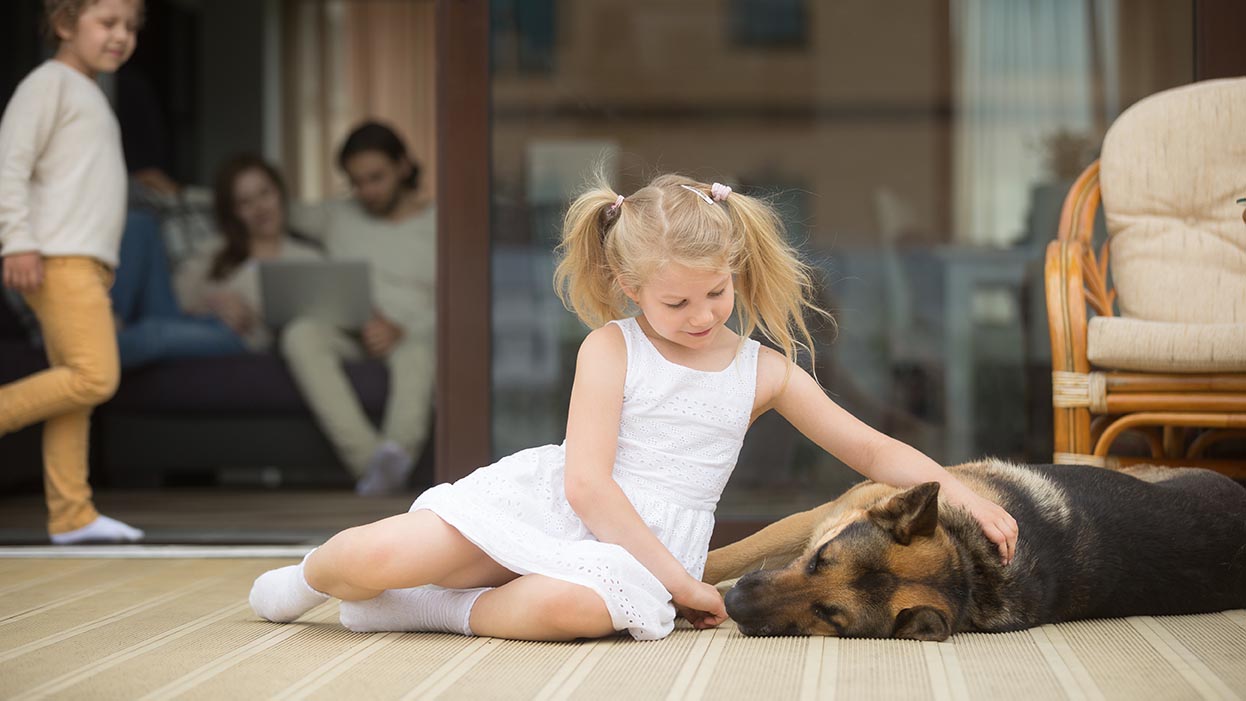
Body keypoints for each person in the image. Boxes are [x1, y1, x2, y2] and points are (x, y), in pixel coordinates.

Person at [249, 173, 1020, 642]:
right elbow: (586, 486)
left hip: (644, 549)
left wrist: (958, 493)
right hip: (561, 505)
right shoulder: (612, 349)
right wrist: (683, 588)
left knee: (574, 613)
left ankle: (426, 611)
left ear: (734, 269)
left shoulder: (765, 371)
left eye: (716, 292)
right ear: (630, 289)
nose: (702, 314)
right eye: (676, 300)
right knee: (361, 561)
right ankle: (309, 577)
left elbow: (875, 452)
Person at [0, 0, 145, 544]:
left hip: (83, 262)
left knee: (77, 392)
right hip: (58, 260)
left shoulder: (88, 92)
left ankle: (71, 514)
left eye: (130, 27)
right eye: (107, 23)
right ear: (64, 24)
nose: (121, 36)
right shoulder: (48, 84)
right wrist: (16, 240)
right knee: (94, 375)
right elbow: (9, 163)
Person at [281, 121, 435, 495]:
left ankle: (392, 457)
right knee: (299, 334)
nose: (366, 191)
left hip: (413, 336)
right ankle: (374, 465)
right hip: (349, 331)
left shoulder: (441, 223)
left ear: (403, 165)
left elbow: (463, 302)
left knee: (417, 355)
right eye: (357, 181)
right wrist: (184, 193)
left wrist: (402, 328)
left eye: (376, 178)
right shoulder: (338, 215)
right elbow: (270, 207)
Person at [174, 154, 323, 352]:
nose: (260, 208)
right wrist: (210, 304)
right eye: (245, 202)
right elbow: (173, 299)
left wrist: (254, 316)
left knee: (153, 335)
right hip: (198, 329)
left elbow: (320, 324)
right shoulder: (216, 249)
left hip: (242, 343)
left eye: (265, 194)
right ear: (234, 212)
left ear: (279, 193)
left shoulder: (308, 257)